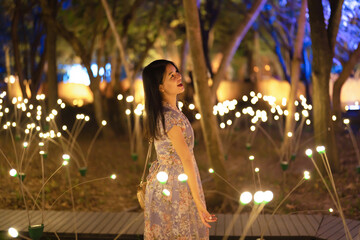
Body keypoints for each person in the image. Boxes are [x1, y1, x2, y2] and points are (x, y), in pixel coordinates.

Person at [142, 59, 217, 239]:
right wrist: (199, 203)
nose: (178, 76)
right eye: (171, 75)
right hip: (175, 186)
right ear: (161, 87)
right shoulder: (170, 117)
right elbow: (186, 158)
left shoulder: (169, 112)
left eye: (177, 72)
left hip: (169, 182)